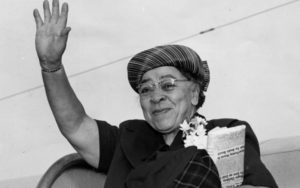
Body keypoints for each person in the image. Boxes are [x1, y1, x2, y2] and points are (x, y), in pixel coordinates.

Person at [33, 0, 278, 187]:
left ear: (194, 93)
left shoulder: (224, 135)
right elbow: (75, 125)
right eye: (145, 89)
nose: (156, 96)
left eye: (168, 85)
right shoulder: (128, 141)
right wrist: (51, 66)